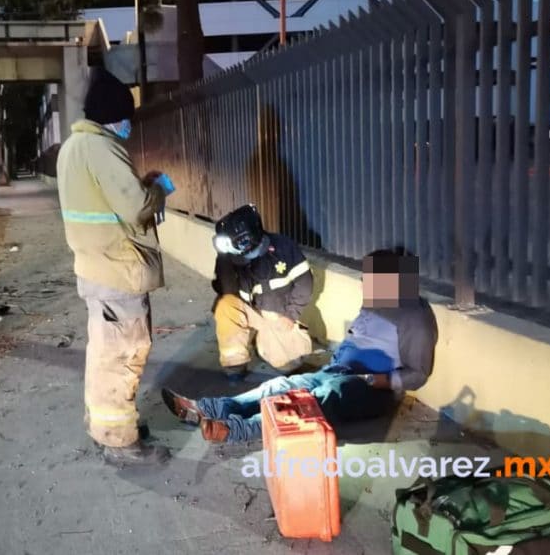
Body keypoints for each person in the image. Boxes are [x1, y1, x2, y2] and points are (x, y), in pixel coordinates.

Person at [162, 249, 438, 444]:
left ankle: (238, 430)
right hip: (338, 369)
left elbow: (419, 375)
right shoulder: (379, 300)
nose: (367, 288)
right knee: (281, 387)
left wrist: (380, 379)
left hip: (372, 389)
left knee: (315, 399)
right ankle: (210, 409)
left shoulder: (415, 318)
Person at [57, 67, 171, 467]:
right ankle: (120, 443)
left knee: (105, 352)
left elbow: (107, 200)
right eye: (127, 119)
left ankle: (105, 427)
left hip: (96, 268)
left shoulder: (73, 147)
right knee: (124, 354)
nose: (129, 127)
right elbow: (136, 207)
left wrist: (141, 185)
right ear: (113, 116)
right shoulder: (102, 148)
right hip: (117, 269)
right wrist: (157, 189)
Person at [210, 204, 314, 379]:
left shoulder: (284, 247)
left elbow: (305, 284)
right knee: (225, 306)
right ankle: (235, 366)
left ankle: (264, 342)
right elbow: (228, 292)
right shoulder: (229, 256)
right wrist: (224, 259)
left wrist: (291, 314)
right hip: (251, 310)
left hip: (279, 314)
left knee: (287, 365)